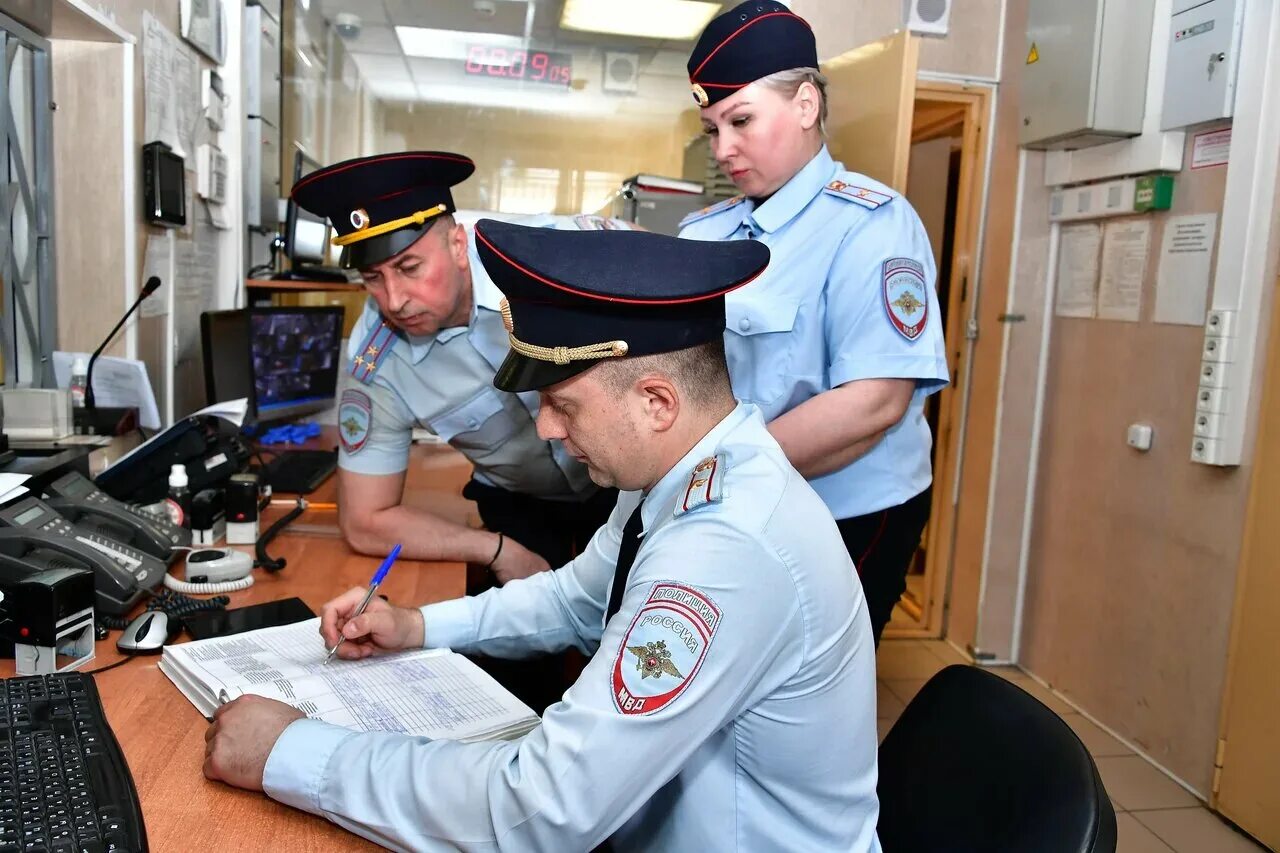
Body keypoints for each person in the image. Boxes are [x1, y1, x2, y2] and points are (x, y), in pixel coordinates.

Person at [202, 221, 882, 852]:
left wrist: (289, 752)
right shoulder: (678, 476)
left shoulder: (726, 548)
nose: (547, 429)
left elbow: (546, 807)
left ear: (656, 402)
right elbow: (574, 600)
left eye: (562, 404)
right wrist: (415, 624)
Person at [679, 1, 950, 643]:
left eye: (741, 121)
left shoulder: (872, 225)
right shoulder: (704, 232)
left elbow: (875, 403)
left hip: (847, 511)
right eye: (711, 128)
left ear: (805, 105)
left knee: (812, 680)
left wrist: (716, 470)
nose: (723, 149)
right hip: (732, 503)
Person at [290, 152, 625, 589]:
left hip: (626, 486)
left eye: (409, 268)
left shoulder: (545, 260)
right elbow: (365, 520)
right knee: (511, 645)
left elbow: (663, 270)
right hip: (519, 508)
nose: (393, 300)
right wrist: (495, 550)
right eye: (372, 278)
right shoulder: (379, 359)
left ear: (457, 245)